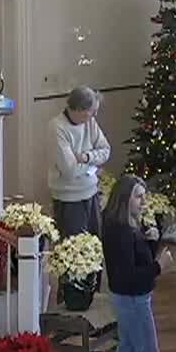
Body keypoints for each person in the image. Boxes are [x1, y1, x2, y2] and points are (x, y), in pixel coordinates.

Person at [102, 175, 174, 352]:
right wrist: (159, 266)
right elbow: (132, 276)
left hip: (127, 299)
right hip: (132, 300)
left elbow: (136, 260)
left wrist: (151, 242)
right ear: (124, 198)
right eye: (137, 196)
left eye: (144, 196)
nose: (143, 201)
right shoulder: (120, 231)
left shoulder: (127, 226)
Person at [49, 86, 111, 238]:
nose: (95, 114)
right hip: (68, 199)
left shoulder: (90, 122)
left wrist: (86, 158)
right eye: (92, 111)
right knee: (74, 249)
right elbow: (69, 170)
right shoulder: (57, 127)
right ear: (78, 109)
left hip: (91, 192)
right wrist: (94, 167)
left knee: (95, 244)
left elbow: (106, 150)